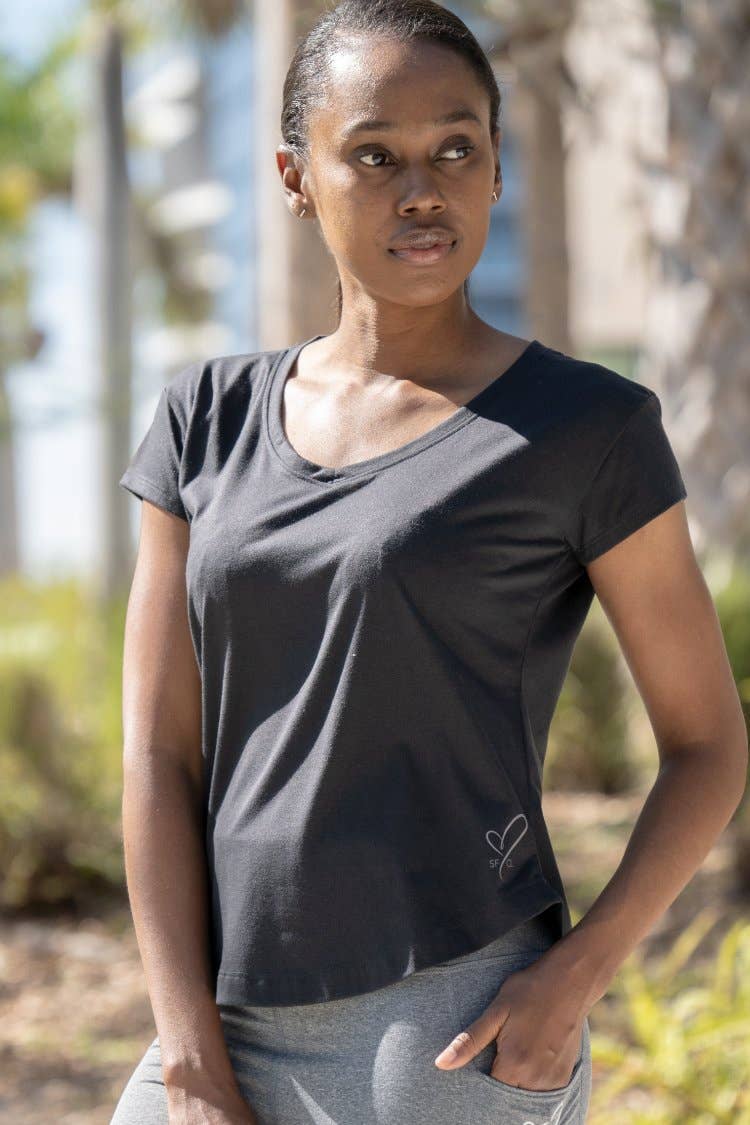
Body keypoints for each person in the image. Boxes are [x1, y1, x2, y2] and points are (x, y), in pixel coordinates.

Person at [110, 1, 748, 1123]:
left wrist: (574, 978)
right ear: (295, 176)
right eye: (373, 155)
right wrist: (187, 1054)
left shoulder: (584, 428)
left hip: (450, 1023)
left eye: (456, 148)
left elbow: (707, 746)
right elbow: (159, 756)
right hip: (215, 1016)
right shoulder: (203, 419)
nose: (422, 190)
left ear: (497, 167)